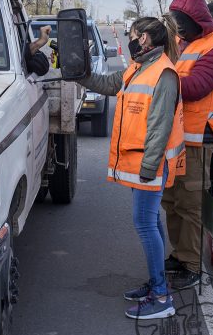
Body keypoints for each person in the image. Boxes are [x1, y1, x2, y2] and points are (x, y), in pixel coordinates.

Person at [76, 17, 186, 319]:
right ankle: (156, 283)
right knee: (150, 222)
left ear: (147, 39)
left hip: (149, 164)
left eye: (134, 35)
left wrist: (150, 167)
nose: (129, 39)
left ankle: (161, 297)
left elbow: (160, 126)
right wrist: (79, 73)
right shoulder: (140, 67)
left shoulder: (163, 73)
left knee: (144, 223)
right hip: (142, 163)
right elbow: (110, 84)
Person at [164, 0, 213, 290]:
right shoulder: (185, 43)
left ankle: (191, 264)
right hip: (176, 137)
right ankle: (179, 255)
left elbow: (196, 86)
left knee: (190, 204)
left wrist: (156, 77)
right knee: (171, 201)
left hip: (198, 139)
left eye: (182, 25)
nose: (179, 31)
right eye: (176, 26)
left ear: (198, 20)